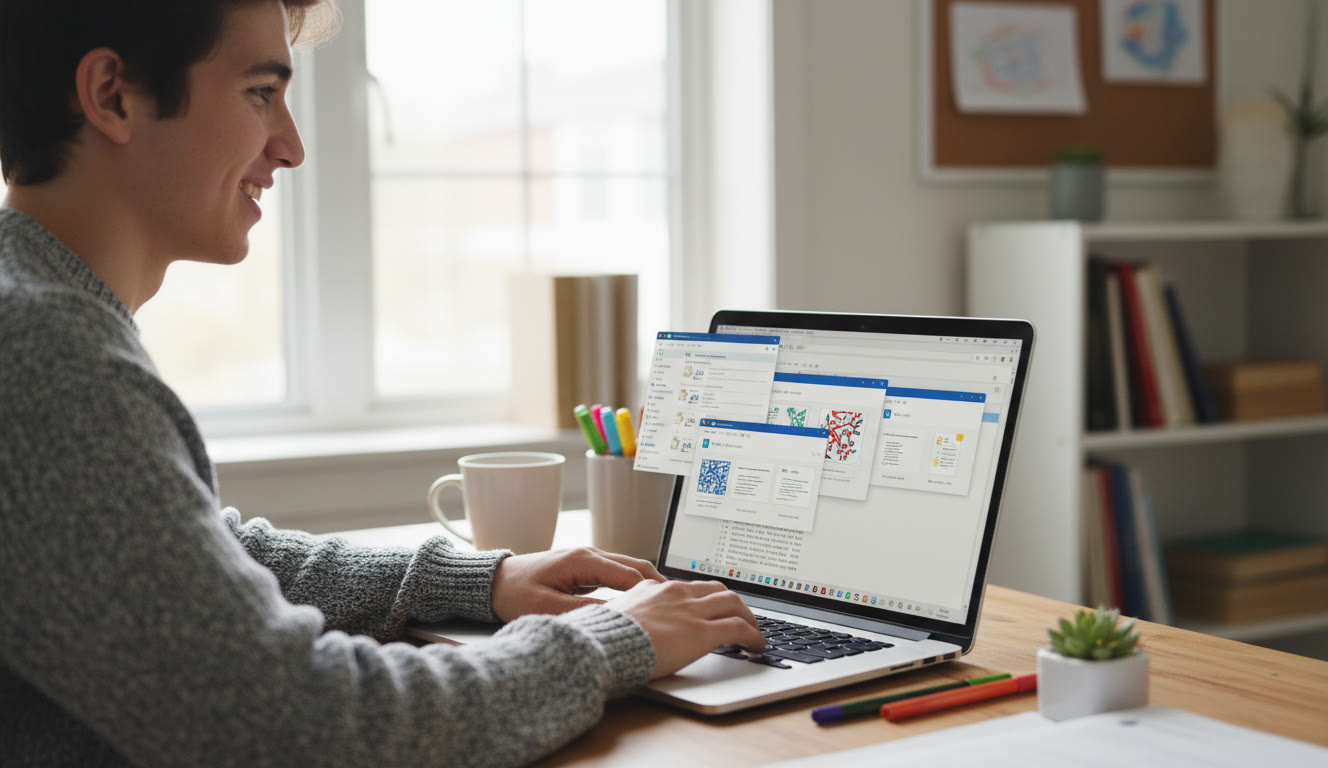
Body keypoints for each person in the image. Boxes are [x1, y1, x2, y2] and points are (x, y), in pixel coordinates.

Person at [0, 1, 765, 765]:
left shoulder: (38, 315)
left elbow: (198, 564)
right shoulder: (49, 361)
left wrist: (476, 581)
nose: (292, 147)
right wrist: (609, 639)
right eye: (261, 93)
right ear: (112, 96)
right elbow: (309, 723)